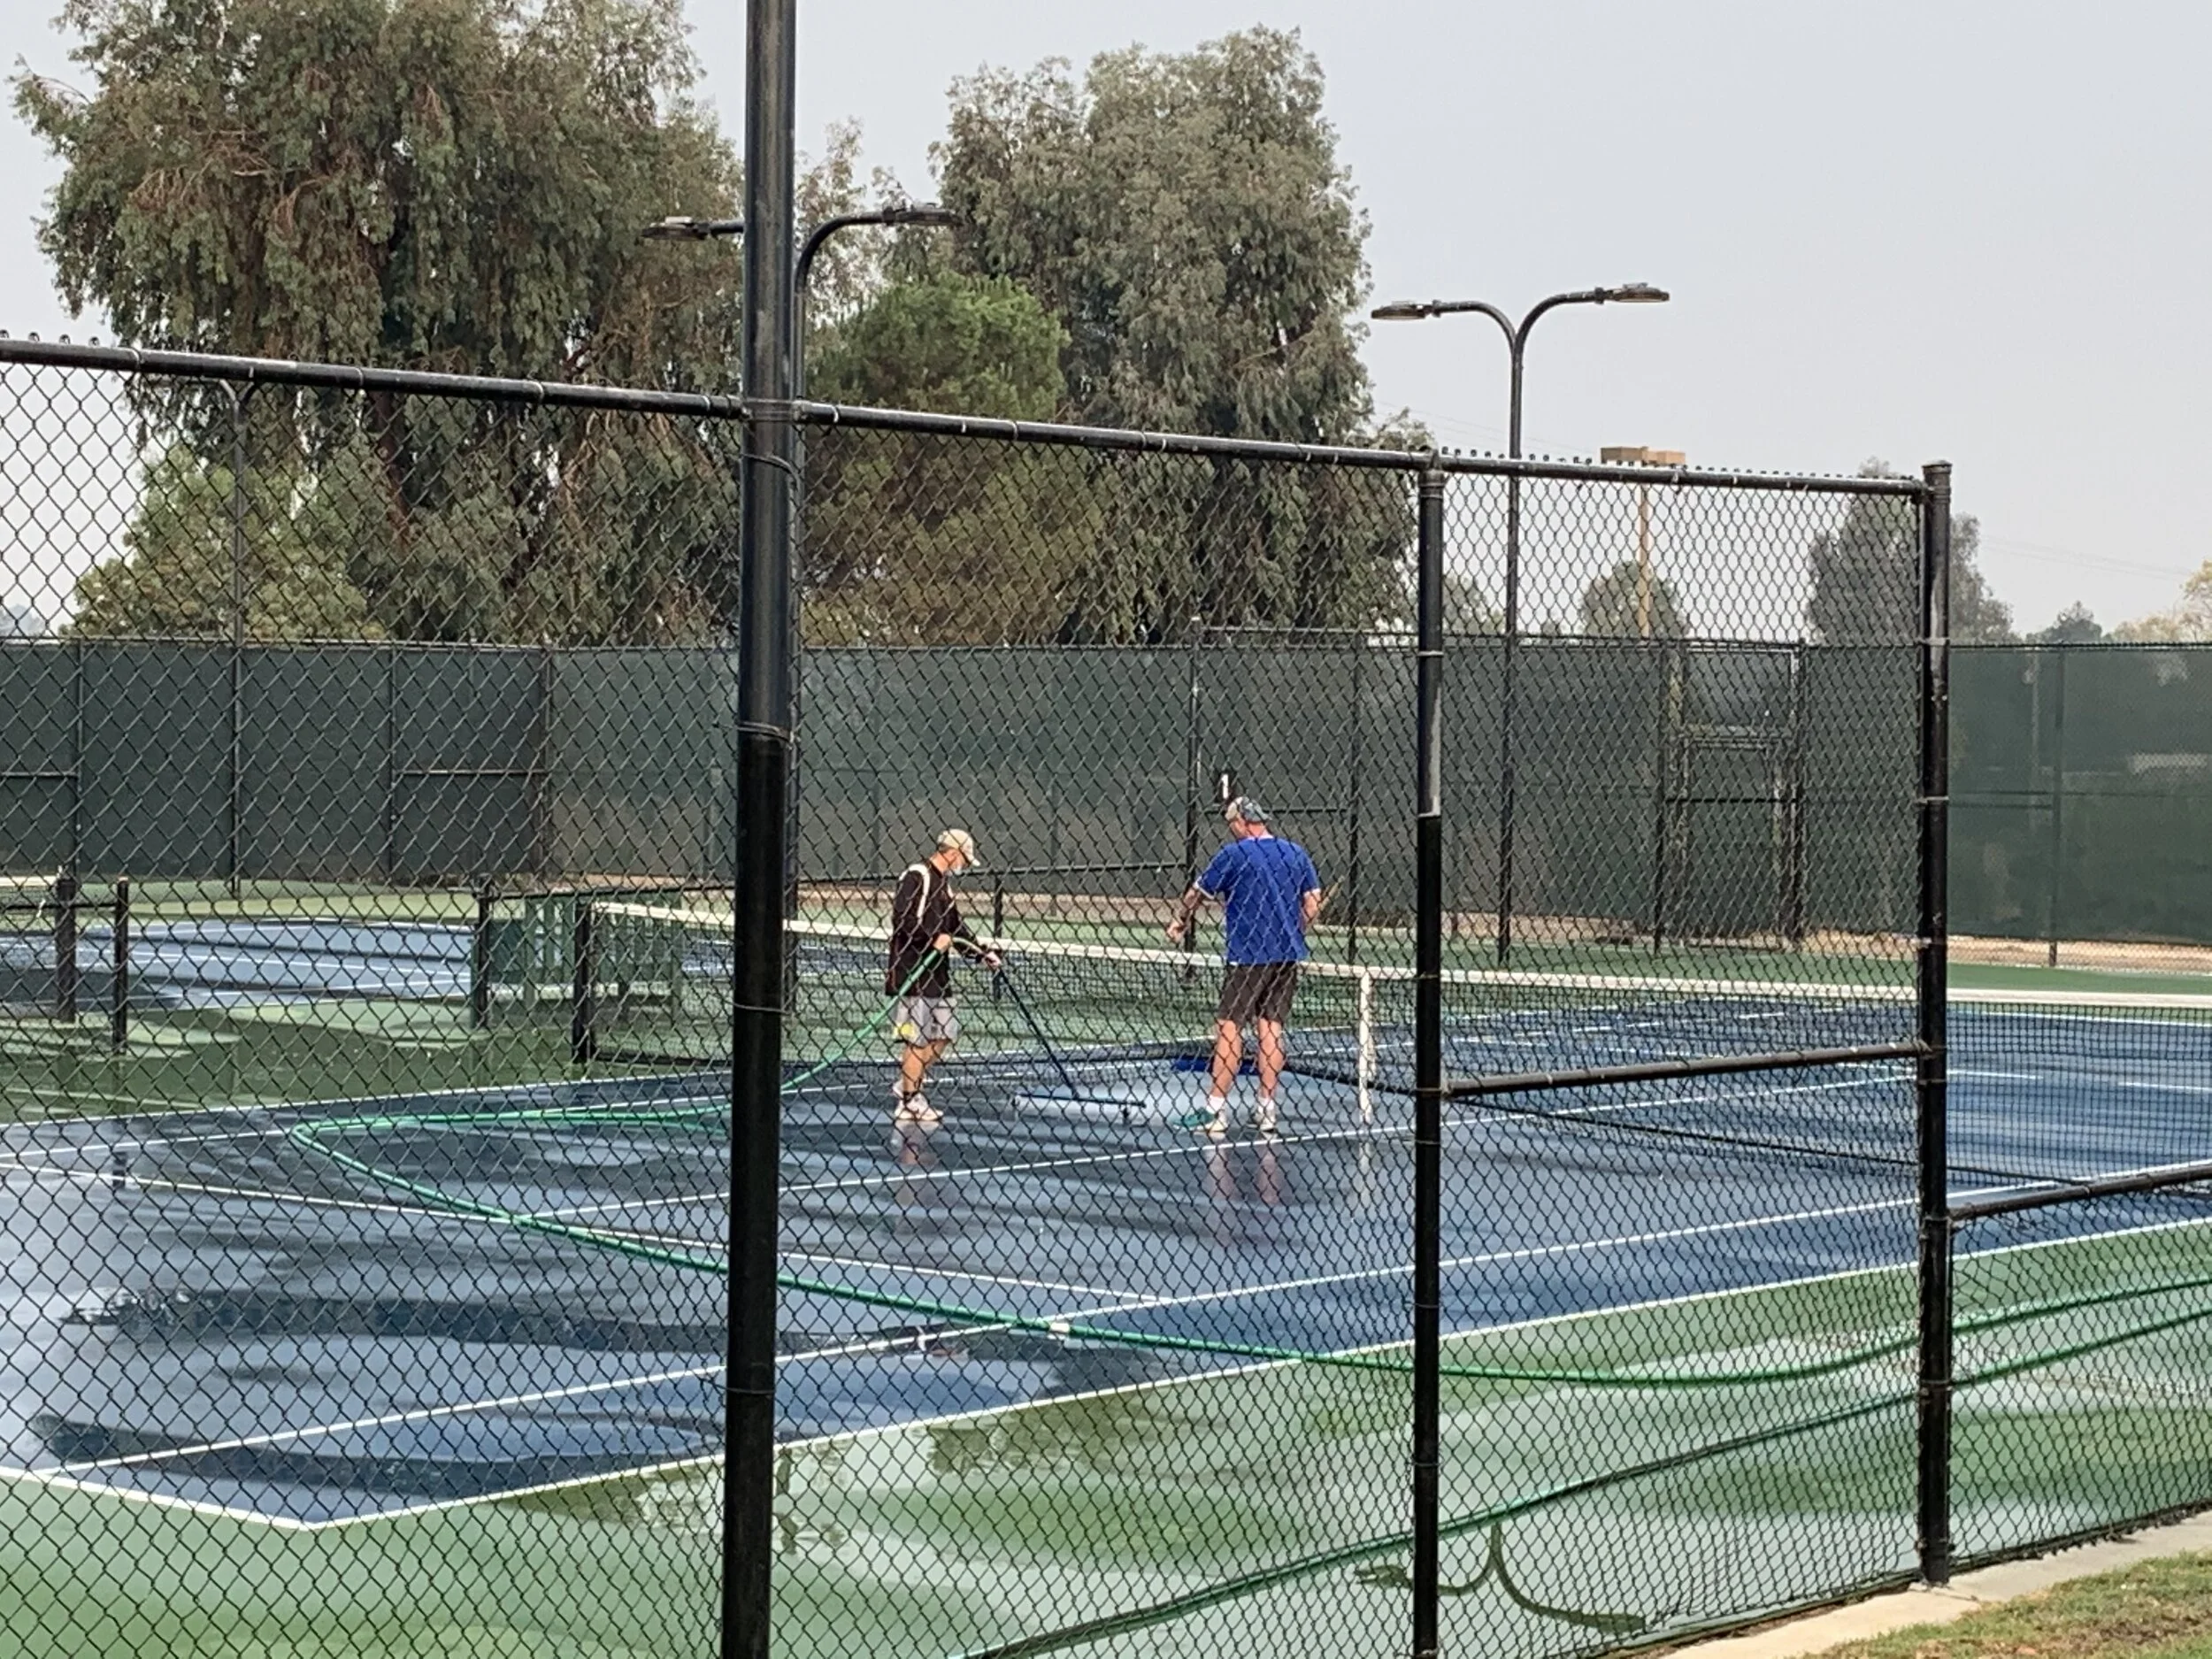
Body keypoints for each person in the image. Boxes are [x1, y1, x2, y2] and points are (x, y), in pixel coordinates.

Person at [1165, 797, 1321, 1137]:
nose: (1230, 829)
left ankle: (1214, 1110)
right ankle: (1267, 1110)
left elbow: (1195, 894)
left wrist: (1180, 920)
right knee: (1271, 1028)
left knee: (1229, 1026)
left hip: (1247, 956)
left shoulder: (1233, 855)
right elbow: (1312, 903)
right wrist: (1295, 930)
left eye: (1230, 823)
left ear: (1242, 822)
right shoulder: (1295, 853)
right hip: (1286, 956)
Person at [885, 828, 999, 1125]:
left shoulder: (945, 887)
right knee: (917, 1040)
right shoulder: (917, 876)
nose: (964, 865)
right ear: (952, 853)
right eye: (964, 859)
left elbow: (956, 927)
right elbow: (903, 920)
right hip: (913, 972)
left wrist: (981, 953)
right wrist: (931, 939)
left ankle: (907, 1084)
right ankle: (910, 1100)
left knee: (945, 1034)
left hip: (937, 974)